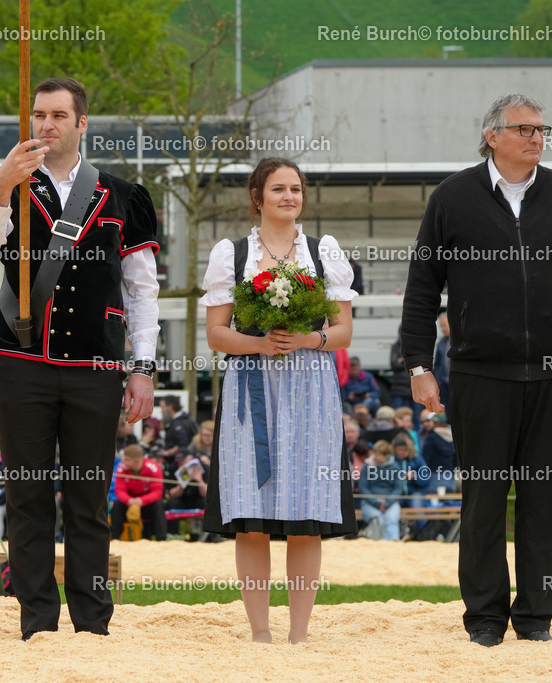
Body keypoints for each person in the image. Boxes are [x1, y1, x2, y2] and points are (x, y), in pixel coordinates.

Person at [401, 94, 552, 645]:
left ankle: (537, 617)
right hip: (479, 374)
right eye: (524, 128)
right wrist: (419, 364)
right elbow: (423, 289)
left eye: (542, 129)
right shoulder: (452, 197)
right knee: (483, 503)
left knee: (544, 503)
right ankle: (486, 618)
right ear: (492, 135)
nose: (536, 137)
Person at [0, 77, 159, 639]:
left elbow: (142, 291)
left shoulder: (124, 196)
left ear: (82, 124)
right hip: (19, 359)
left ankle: (92, 625)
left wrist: (142, 367)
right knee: (27, 497)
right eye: (37, 115)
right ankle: (37, 625)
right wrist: (3, 184)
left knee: (87, 501)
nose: (45, 125)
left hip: (96, 367)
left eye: (57, 115)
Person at [200, 157, 357, 644]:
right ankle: (261, 632)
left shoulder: (323, 251)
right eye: (278, 189)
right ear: (258, 196)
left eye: (295, 189)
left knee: (308, 516)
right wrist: (260, 343)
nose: (289, 197)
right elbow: (216, 334)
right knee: (252, 516)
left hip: (311, 389)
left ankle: (300, 632)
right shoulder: (232, 253)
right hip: (252, 386)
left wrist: (310, 341)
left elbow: (344, 331)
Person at [110, 444, 167, 541]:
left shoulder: (153, 468)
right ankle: (115, 538)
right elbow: (119, 490)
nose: (124, 462)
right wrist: (130, 500)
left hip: (147, 504)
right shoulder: (121, 468)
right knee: (117, 505)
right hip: (130, 502)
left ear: (136, 461)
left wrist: (142, 500)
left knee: (159, 505)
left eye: (127, 460)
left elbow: (157, 493)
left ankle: (161, 539)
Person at [359, 440, 402, 541]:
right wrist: (376, 503)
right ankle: (376, 543)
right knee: (377, 519)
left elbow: (398, 488)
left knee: (391, 519)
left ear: (386, 455)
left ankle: (393, 543)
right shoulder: (367, 466)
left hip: (390, 501)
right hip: (370, 502)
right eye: (375, 453)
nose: (375, 456)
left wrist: (388, 502)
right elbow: (363, 487)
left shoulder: (395, 467)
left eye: (379, 454)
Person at [159, 395, 198, 463]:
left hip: (181, 462)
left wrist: (167, 453)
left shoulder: (179, 424)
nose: (161, 411)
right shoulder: (179, 421)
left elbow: (183, 445)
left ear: (170, 407)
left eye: (163, 408)